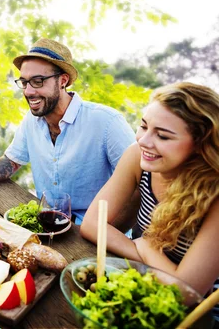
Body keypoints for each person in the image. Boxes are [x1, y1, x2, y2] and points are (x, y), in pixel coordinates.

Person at [0, 38, 135, 221]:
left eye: (38, 81)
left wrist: (102, 232)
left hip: (96, 230)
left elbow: (140, 185)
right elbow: (11, 160)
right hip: (47, 222)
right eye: (24, 82)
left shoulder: (107, 122)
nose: (28, 92)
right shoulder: (31, 121)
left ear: (63, 81)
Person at [80, 82, 219, 321]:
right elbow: (93, 224)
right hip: (142, 281)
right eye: (143, 126)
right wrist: (140, 249)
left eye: (162, 135)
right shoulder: (138, 156)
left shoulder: (214, 194)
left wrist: (147, 247)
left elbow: (187, 294)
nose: (144, 140)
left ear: (199, 145)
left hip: (199, 316)